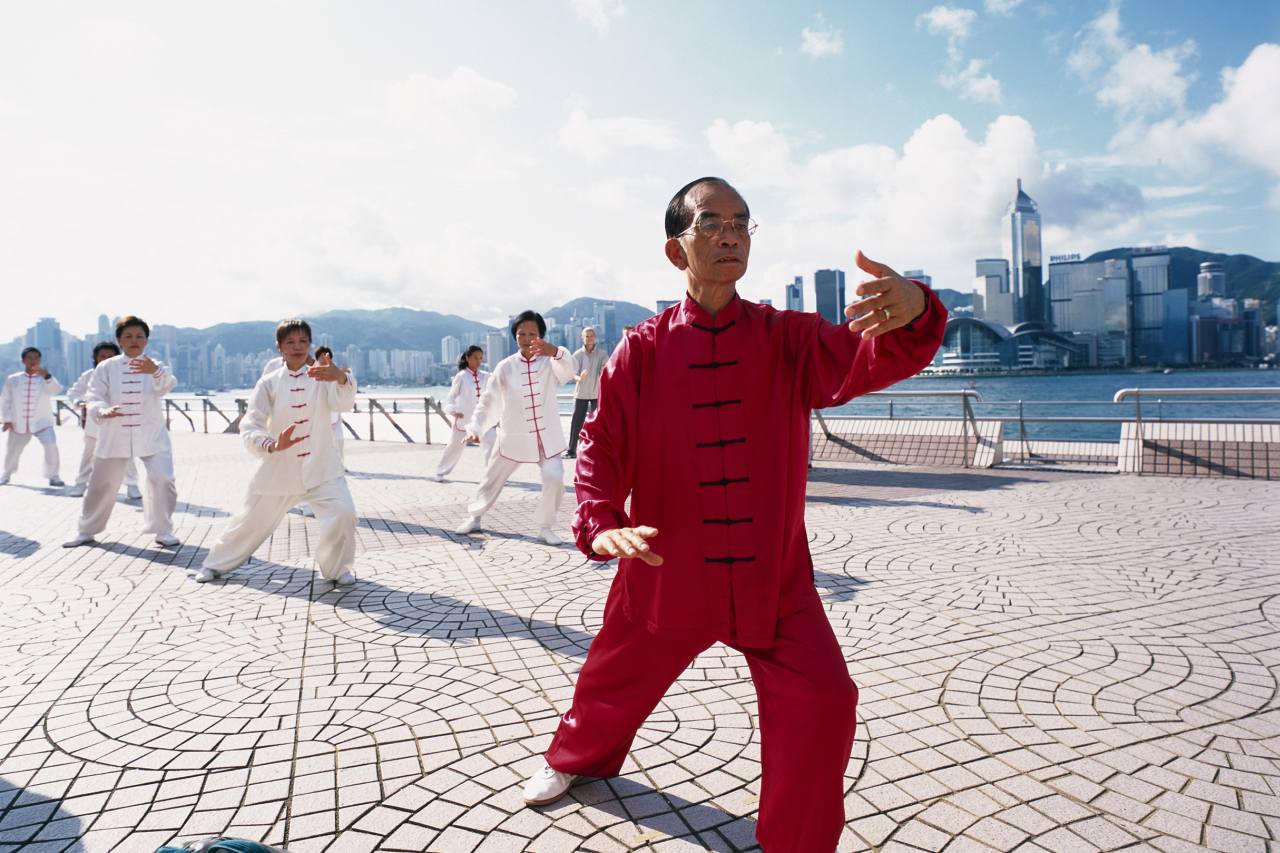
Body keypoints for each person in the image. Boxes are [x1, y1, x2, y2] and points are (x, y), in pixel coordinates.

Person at [520, 177, 946, 852]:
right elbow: (602, 443)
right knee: (612, 676)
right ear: (675, 250)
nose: (729, 235)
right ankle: (575, 758)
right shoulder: (643, 350)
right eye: (711, 223)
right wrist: (600, 519)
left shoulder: (789, 338)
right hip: (665, 568)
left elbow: (875, 355)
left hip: (772, 582)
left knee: (825, 702)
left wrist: (918, 308)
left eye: (742, 224)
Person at [194, 320, 358, 584]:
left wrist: (339, 377)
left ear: (310, 345)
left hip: (322, 468)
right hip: (279, 469)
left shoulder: (322, 375)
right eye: (290, 342)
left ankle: (337, 569)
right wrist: (272, 444)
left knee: (344, 513)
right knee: (248, 522)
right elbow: (251, 424)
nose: (297, 347)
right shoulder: (268, 383)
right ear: (279, 347)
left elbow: (344, 401)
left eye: (303, 341)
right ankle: (214, 564)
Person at [454, 310, 577, 545]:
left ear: (541, 335)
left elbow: (569, 371)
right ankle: (475, 516)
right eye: (522, 333)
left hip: (545, 436)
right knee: (492, 478)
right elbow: (488, 401)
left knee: (555, 477)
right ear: (515, 336)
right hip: (513, 436)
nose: (528, 338)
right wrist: (475, 428)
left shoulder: (551, 362)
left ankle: (545, 526)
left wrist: (556, 352)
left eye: (533, 333)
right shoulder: (505, 367)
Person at [64, 316, 181, 548]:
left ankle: (163, 529)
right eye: (128, 336)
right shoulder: (106, 367)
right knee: (101, 483)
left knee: (163, 478)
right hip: (114, 432)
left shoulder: (156, 366)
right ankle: (86, 530)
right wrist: (102, 411)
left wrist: (155, 372)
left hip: (151, 433)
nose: (134, 340)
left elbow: (167, 386)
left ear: (146, 340)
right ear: (119, 340)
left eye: (139, 336)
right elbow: (93, 395)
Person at [66, 342, 141, 499]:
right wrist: (80, 403)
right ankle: (80, 484)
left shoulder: (126, 372)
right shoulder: (89, 375)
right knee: (88, 455)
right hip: (95, 423)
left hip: (120, 421)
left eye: (110, 356)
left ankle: (132, 486)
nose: (106, 359)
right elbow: (73, 393)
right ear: (96, 358)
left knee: (127, 455)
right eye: (102, 356)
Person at [1, 347, 64, 487]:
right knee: (13, 450)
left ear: (40, 360)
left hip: (42, 422)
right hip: (19, 422)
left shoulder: (46, 378)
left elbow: (56, 390)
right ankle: (6, 474)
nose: (33, 360)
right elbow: (5, 400)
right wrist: (7, 420)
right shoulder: (13, 379)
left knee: (51, 446)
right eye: (29, 357)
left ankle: (54, 476)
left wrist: (47, 376)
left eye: (36, 357)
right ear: (23, 360)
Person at [434, 345, 494, 481]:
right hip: (463, 418)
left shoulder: (485, 376)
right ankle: (440, 471)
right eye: (475, 358)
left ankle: (492, 473)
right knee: (454, 446)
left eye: (480, 358)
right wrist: (453, 411)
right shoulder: (461, 376)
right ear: (467, 358)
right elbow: (451, 397)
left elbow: (498, 383)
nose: (478, 361)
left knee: (491, 441)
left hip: (481, 419)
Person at [566, 327, 606, 459]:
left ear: (595, 337)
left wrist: (602, 373)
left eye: (591, 335)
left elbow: (606, 369)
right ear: (582, 338)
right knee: (576, 423)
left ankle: (597, 450)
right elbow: (572, 373)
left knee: (597, 423)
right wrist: (579, 378)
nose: (589, 338)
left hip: (596, 394)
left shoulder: (602, 354)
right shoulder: (577, 355)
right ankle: (571, 450)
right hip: (581, 394)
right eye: (586, 336)